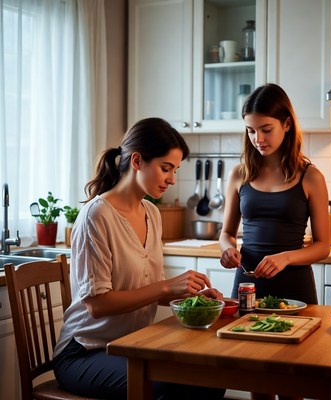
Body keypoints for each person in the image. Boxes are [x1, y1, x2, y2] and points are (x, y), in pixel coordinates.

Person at [53, 117, 226, 400]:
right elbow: (97, 304)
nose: (172, 179)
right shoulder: (97, 215)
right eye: (165, 168)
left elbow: (148, 289)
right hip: (85, 352)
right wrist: (168, 287)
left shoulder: (152, 213)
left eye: (175, 169)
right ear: (137, 161)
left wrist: (194, 296)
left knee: (211, 374)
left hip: (133, 346)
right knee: (169, 387)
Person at [219, 83, 330, 400]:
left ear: (287, 124)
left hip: (295, 286)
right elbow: (226, 232)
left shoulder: (310, 176)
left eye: (266, 129)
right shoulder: (240, 173)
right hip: (249, 285)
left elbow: (324, 245)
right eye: (251, 131)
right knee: (258, 381)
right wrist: (227, 248)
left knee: (292, 382)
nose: (259, 139)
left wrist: (285, 258)